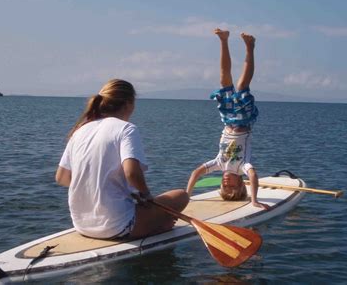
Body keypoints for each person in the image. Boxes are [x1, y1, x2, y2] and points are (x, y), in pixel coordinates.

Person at [56, 79, 189, 240]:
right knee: (181, 196)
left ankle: (154, 223)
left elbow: (62, 177)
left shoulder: (79, 131)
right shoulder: (126, 129)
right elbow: (132, 173)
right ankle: (158, 228)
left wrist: (96, 186)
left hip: (81, 225)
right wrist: (146, 195)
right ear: (128, 104)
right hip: (117, 226)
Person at [186, 29, 267, 209]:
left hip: (228, 121)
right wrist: (254, 200)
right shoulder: (242, 167)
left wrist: (187, 195)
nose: (226, 181)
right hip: (244, 122)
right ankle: (250, 47)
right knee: (242, 86)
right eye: (230, 185)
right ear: (240, 182)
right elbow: (253, 176)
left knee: (224, 82)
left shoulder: (219, 164)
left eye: (224, 185)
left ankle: (223, 40)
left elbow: (196, 173)